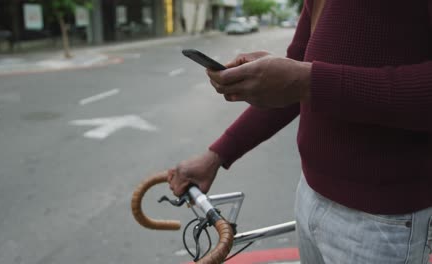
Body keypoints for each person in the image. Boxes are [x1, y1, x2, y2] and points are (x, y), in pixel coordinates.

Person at [168, 0, 432, 263]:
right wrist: (217, 155)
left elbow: (305, 81)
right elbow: (296, 78)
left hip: (383, 218)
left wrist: (309, 81)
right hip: (309, 195)